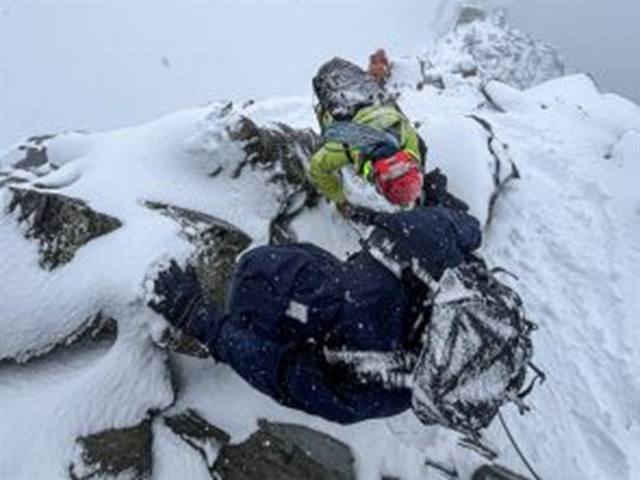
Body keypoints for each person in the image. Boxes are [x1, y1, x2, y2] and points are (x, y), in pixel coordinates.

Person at [148, 206, 482, 424]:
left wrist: (200, 320)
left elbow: (279, 370)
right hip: (292, 288)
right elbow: (283, 373)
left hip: (281, 295)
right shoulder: (390, 384)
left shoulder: (372, 376)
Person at [308, 57, 426, 216]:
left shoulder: (403, 132)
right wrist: (340, 199)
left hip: (361, 88)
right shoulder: (344, 146)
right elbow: (317, 168)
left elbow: (416, 146)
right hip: (333, 89)